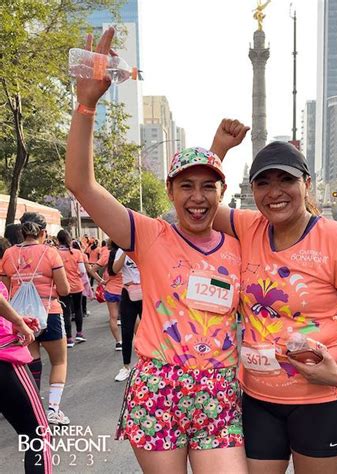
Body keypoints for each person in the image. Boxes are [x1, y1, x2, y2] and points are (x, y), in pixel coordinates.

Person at [65, 27, 246, 473]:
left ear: (222, 192)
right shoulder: (148, 235)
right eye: (187, 186)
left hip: (218, 390)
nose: (198, 197)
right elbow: (81, 185)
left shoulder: (241, 244)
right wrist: (86, 105)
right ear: (170, 191)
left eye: (208, 186)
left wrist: (218, 147)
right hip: (158, 387)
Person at [211, 123, 337, 473]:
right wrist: (219, 149)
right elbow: (202, 206)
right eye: (263, 182)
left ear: (306, 184)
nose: (274, 192)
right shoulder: (250, 226)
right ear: (252, 189)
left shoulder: (336, 238)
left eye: (285, 180)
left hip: (325, 401)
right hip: (259, 399)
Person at [0, 213, 71, 425]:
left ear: (22, 231)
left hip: (20, 317)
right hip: (49, 313)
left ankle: (33, 407)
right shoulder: (50, 253)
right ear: (42, 232)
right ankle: (53, 410)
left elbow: (4, 289)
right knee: (59, 361)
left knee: (31, 361)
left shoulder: (9, 254)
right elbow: (65, 289)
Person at [112, 248, 142, 382]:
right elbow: (114, 269)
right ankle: (126, 366)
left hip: (145, 291)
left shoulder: (145, 247)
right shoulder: (121, 250)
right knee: (127, 331)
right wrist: (126, 252)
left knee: (149, 330)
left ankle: (148, 364)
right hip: (128, 292)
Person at [57, 229, 88, 348]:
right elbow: (83, 271)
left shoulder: (55, 253)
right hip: (77, 286)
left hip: (62, 286)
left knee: (66, 311)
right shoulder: (77, 253)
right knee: (78, 309)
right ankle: (79, 333)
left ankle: (69, 338)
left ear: (58, 240)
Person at [92, 240, 123, 351]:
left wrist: (101, 281)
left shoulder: (107, 254)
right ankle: (136, 341)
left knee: (113, 317)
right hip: (125, 290)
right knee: (131, 318)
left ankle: (118, 342)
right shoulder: (126, 254)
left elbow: (92, 270)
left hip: (111, 290)